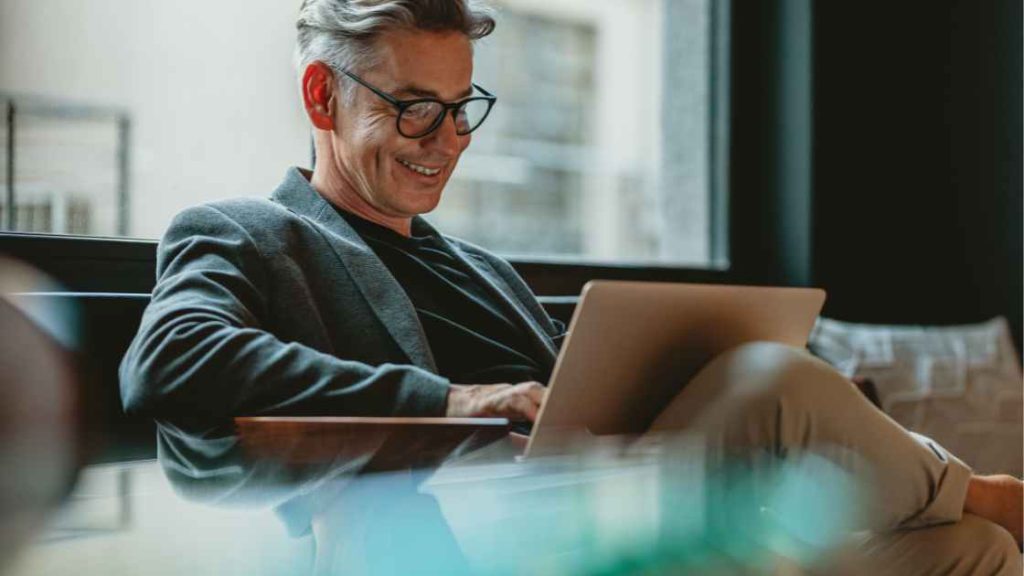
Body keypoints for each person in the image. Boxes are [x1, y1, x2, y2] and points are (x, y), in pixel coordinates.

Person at [119, 1, 1022, 573]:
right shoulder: (244, 233)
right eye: (412, 108)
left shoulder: (483, 270)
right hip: (465, 539)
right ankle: (978, 485)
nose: (446, 139)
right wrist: (457, 400)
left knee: (971, 553)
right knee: (770, 384)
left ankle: (966, 509)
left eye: (462, 107)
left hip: (629, 511)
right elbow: (171, 361)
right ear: (322, 95)